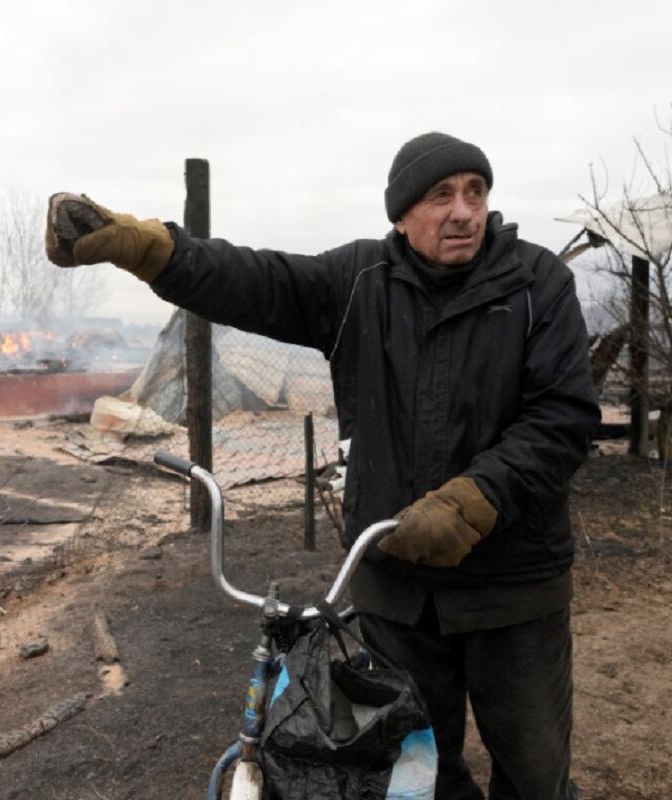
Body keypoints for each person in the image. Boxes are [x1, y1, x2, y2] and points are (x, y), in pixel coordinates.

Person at [45, 132, 600, 800]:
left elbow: (563, 416)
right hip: (397, 591)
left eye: (475, 192)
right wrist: (148, 248)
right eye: (442, 195)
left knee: (536, 776)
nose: (464, 211)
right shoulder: (359, 283)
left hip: (515, 588)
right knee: (415, 775)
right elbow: (254, 281)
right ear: (401, 213)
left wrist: (475, 498)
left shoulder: (539, 283)